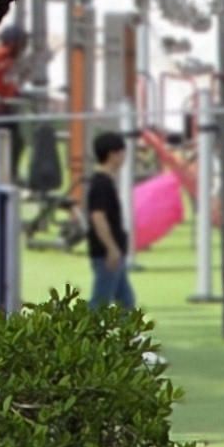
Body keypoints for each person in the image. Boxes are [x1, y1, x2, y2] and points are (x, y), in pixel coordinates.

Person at [83, 129, 138, 311]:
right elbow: (98, 217)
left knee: (126, 300)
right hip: (107, 253)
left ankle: (129, 337)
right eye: (122, 152)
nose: (124, 157)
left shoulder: (105, 182)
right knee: (101, 301)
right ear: (112, 154)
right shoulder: (101, 184)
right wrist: (112, 248)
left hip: (113, 250)